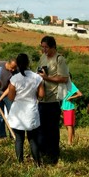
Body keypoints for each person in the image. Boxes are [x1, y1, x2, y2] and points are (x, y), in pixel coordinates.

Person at [7, 53, 45, 165]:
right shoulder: (37, 77)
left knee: (19, 140)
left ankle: (20, 163)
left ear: (17, 64)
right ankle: (37, 163)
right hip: (31, 111)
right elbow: (41, 95)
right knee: (32, 139)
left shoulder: (14, 79)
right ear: (28, 63)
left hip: (18, 112)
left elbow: (10, 97)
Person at [37, 35, 69, 164]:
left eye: (46, 47)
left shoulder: (59, 59)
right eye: (42, 47)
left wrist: (47, 78)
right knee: (41, 129)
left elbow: (64, 78)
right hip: (41, 99)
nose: (44, 50)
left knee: (52, 129)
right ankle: (43, 152)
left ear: (53, 47)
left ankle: (53, 155)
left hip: (53, 99)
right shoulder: (42, 58)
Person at [0, 58, 17, 141]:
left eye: (15, 68)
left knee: (12, 113)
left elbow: (10, 87)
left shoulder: (15, 71)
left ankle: (13, 134)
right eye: (11, 67)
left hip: (8, 94)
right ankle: (2, 136)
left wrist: (1, 98)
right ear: (7, 63)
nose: (13, 70)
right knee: (0, 116)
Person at [60, 75, 82, 146]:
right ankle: (73, 139)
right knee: (68, 125)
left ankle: (69, 142)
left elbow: (79, 94)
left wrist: (71, 97)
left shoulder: (71, 85)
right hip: (64, 107)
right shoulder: (64, 85)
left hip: (69, 107)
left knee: (69, 125)